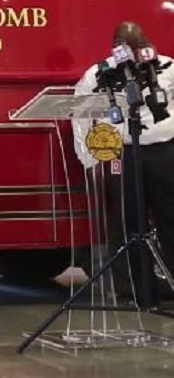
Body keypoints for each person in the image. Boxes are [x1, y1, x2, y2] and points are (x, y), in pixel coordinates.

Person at [72, 21, 174, 304]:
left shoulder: (167, 66)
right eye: (123, 42)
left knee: (171, 221)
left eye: (137, 42)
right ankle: (140, 292)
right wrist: (88, 156)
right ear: (114, 44)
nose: (131, 48)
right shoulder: (99, 73)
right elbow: (79, 111)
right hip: (124, 154)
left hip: (166, 151)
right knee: (131, 226)